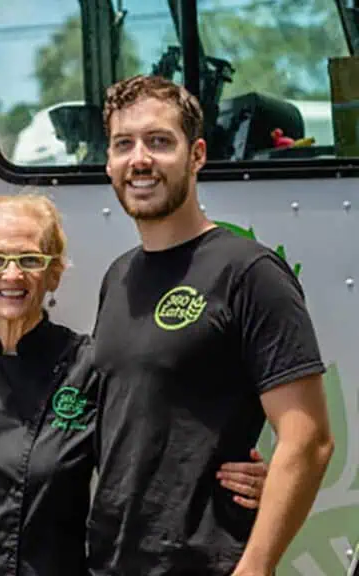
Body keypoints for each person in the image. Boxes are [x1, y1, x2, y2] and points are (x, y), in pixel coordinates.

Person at [0, 193, 268, 576]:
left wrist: (244, 481)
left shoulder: (90, 366)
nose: (11, 275)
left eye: (30, 260)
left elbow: (155, 457)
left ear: (54, 273)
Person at [87, 75, 334, 575]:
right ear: (109, 161)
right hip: (113, 563)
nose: (140, 160)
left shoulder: (248, 272)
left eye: (159, 141)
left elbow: (308, 439)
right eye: (123, 144)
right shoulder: (119, 276)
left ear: (197, 155)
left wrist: (255, 567)